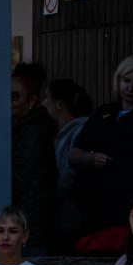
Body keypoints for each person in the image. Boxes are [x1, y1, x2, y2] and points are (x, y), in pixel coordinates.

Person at [69, 54, 133, 255]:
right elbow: (73, 155)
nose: (130, 88)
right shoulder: (104, 112)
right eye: (126, 81)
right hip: (96, 216)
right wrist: (89, 159)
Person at [10, 63, 58, 253]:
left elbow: (19, 176)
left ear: (31, 100)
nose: (9, 101)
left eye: (15, 96)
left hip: (30, 220)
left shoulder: (35, 130)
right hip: (24, 217)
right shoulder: (19, 126)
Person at [43, 79, 93, 253]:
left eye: (47, 97)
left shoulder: (80, 130)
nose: (44, 102)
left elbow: (69, 173)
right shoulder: (63, 132)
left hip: (73, 215)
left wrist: (49, 194)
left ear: (59, 104)